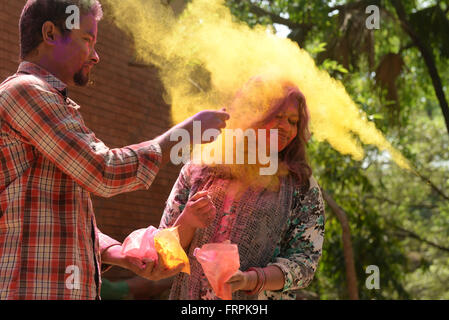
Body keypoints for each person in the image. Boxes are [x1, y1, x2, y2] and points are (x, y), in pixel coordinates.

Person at [0, 0, 229, 300]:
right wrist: (187, 132)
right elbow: (103, 171)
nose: (95, 55)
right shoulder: (26, 93)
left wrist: (118, 253)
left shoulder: (53, 105)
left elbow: (59, 216)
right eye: (87, 39)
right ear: (50, 34)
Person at [159, 76, 325, 300]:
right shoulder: (200, 167)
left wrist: (252, 280)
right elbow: (163, 254)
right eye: (277, 116)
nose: (285, 127)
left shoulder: (301, 186)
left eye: (293, 121)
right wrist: (188, 220)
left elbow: (305, 262)